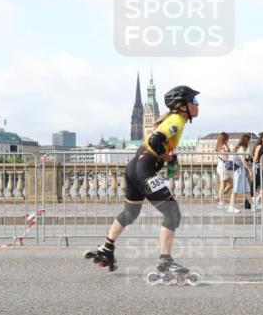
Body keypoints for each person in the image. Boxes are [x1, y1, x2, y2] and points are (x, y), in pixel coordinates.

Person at [85, 85, 201, 283]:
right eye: (194, 102)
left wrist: (167, 158)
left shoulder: (173, 119)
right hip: (144, 169)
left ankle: (107, 248)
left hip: (134, 167)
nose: (198, 105)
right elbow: (156, 141)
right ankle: (165, 260)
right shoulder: (176, 121)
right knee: (172, 213)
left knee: (130, 213)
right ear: (183, 107)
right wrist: (169, 158)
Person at [227, 133, 253, 212]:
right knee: (236, 188)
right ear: (246, 140)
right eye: (249, 141)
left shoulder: (240, 147)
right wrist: (250, 170)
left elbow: (245, 160)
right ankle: (231, 207)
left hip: (239, 169)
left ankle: (253, 205)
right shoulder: (241, 148)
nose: (249, 142)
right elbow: (243, 161)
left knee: (246, 188)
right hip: (238, 170)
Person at [214, 132, 233, 208]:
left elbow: (229, 152)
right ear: (225, 139)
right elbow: (225, 158)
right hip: (223, 167)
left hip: (222, 166)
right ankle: (221, 203)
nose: (228, 140)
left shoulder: (221, 146)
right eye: (227, 138)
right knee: (223, 184)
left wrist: (227, 146)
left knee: (231, 184)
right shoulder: (222, 148)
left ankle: (219, 197)